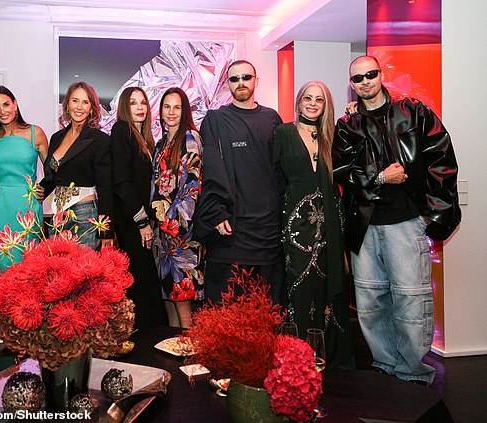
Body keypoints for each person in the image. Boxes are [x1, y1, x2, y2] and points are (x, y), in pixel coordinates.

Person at [333, 55, 461, 385]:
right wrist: (378, 177)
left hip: (406, 222)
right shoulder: (348, 125)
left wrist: (431, 214)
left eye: (370, 75)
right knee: (370, 300)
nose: (365, 82)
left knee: (411, 298)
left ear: (380, 75)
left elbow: (442, 158)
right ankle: (385, 366)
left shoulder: (413, 111)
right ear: (352, 84)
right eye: (357, 78)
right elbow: (342, 171)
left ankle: (414, 372)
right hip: (365, 226)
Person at [272, 81, 354, 369]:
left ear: (325, 106)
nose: (312, 103)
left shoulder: (333, 135)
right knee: (299, 287)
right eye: (307, 98)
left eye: (319, 100)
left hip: (330, 222)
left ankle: (326, 357)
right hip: (296, 224)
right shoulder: (283, 132)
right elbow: (272, 179)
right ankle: (297, 357)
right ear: (299, 101)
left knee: (326, 288)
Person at [195, 60, 285, 304]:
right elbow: (210, 171)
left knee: (267, 311)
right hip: (231, 232)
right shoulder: (215, 120)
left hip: (267, 232)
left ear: (256, 80)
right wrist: (216, 212)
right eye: (234, 79)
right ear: (228, 84)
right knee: (227, 314)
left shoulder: (272, 119)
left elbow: (281, 172)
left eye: (246, 77)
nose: (241, 83)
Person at [0, 85, 48, 294]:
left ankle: (27, 316)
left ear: (15, 104)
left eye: (6, 104)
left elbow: (54, 172)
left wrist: (44, 188)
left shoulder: (34, 133)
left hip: (26, 207)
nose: (3, 111)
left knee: (27, 262)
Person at [110, 87, 166, 327]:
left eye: (143, 102)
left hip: (139, 220)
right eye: (133, 103)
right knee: (143, 284)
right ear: (125, 107)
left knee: (143, 285)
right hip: (131, 222)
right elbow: (121, 182)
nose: (140, 107)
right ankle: (146, 343)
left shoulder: (144, 138)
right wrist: (142, 221)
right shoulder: (122, 129)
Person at [151, 87, 204, 328]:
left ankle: (190, 362)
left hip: (182, 234)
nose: (171, 112)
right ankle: (170, 361)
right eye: (166, 106)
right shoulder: (161, 143)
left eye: (177, 107)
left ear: (184, 111)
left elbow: (193, 187)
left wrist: (173, 222)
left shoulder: (190, 138)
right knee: (168, 299)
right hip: (162, 235)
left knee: (184, 302)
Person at [40, 82, 114, 249]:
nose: (79, 107)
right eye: (75, 101)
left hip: (84, 212)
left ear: (92, 108)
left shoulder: (100, 140)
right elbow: (52, 178)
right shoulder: (57, 138)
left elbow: (105, 187)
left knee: (81, 272)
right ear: (67, 104)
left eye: (85, 102)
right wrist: (33, 195)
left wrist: (106, 230)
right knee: (58, 271)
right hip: (57, 214)